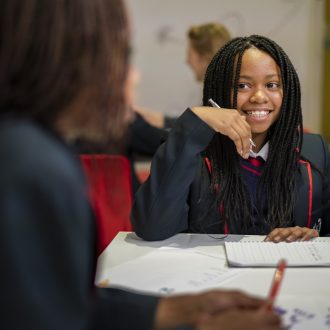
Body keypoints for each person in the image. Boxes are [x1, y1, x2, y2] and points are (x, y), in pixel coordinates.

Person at [0, 1, 283, 330]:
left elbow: (67, 303)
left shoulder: (27, 153)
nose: (134, 76)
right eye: (122, 53)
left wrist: (170, 311)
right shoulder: (33, 171)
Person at [131, 35, 330, 243]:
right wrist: (196, 119)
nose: (259, 97)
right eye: (243, 86)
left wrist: (315, 236)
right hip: (209, 273)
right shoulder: (192, 150)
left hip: (288, 274)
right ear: (220, 90)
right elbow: (151, 228)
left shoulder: (315, 152)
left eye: (272, 85)